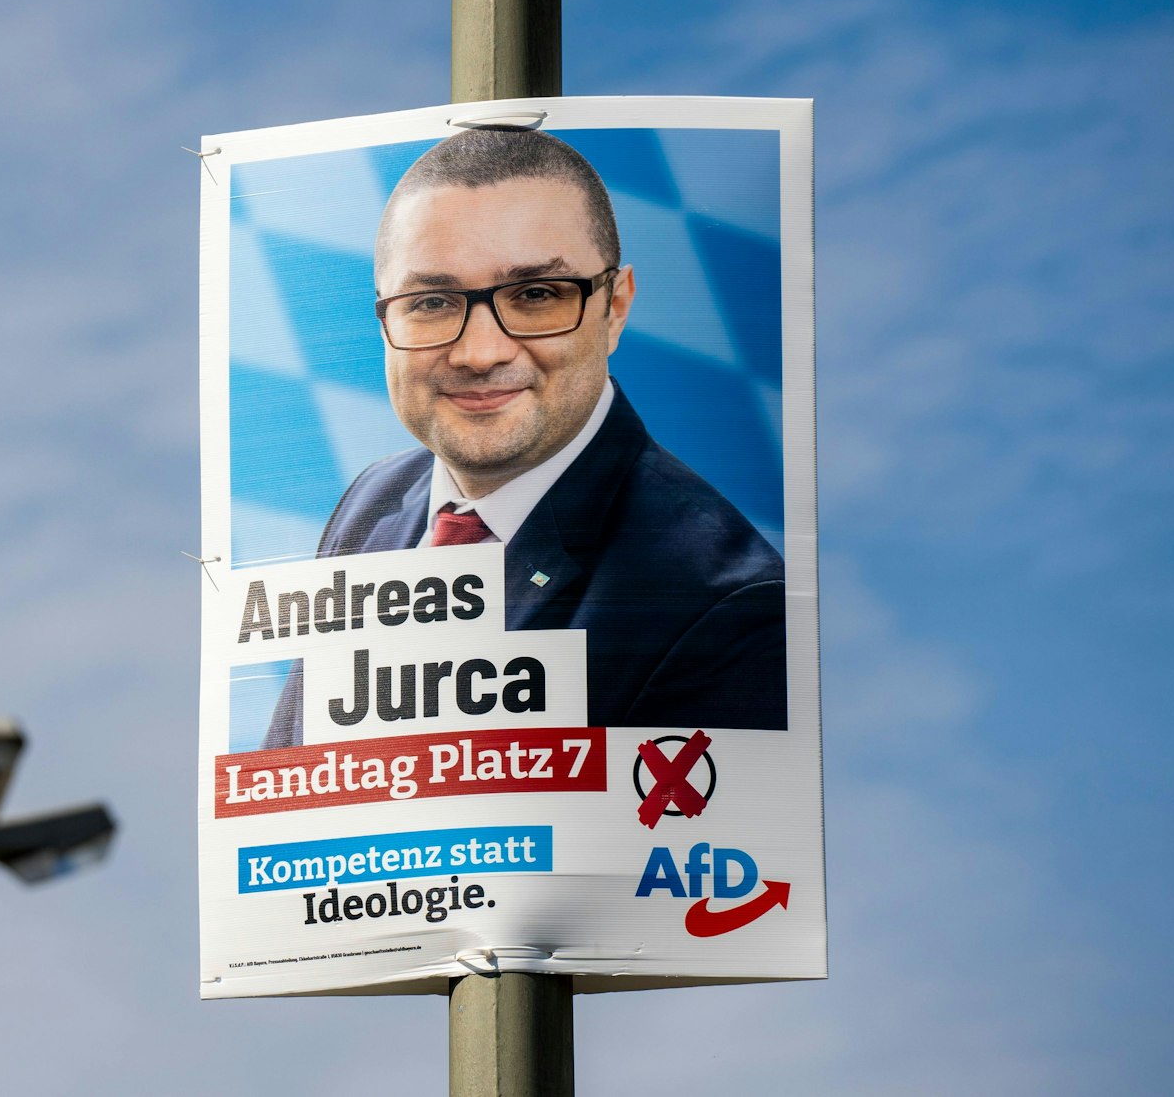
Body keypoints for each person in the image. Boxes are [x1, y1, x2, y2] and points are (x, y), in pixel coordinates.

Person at [263, 127, 785, 748]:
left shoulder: (722, 604)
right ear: (383, 318)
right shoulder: (373, 499)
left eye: (536, 295)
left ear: (615, 308)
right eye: (431, 301)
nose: (480, 353)